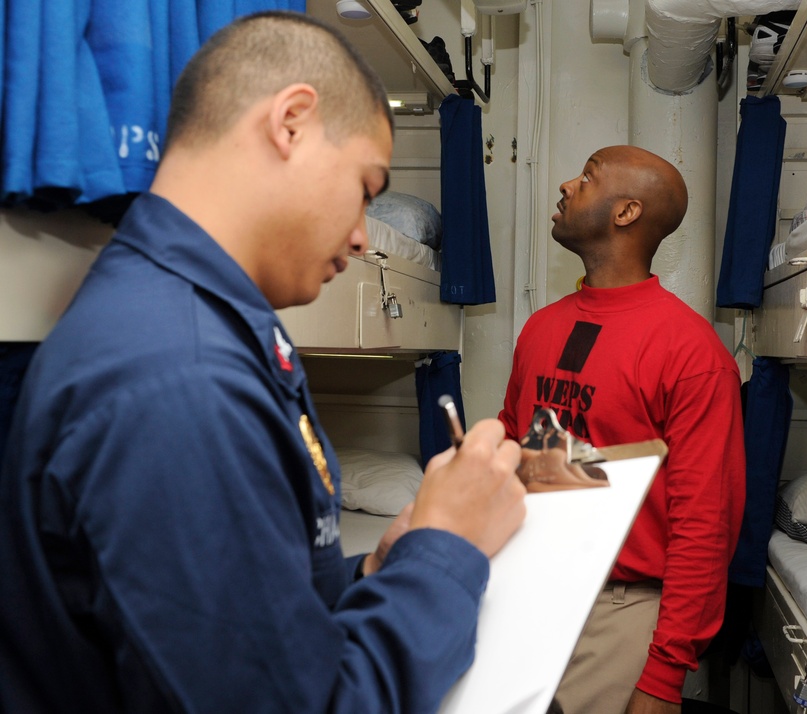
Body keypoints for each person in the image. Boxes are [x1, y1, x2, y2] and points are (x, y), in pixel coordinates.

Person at [0, 12, 526, 714]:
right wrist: (447, 546)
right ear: (292, 123)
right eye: (366, 189)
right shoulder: (179, 378)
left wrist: (377, 566)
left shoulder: (197, 324)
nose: (364, 236)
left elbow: (251, 615)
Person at [499, 145, 746, 714]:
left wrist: (663, 674)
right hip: (528, 587)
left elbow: (704, 524)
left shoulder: (692, 354)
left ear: (626, 212)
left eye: (586, 177)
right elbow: (519, 443)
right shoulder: (542, 328)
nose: (565, 184)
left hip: (622, 607)